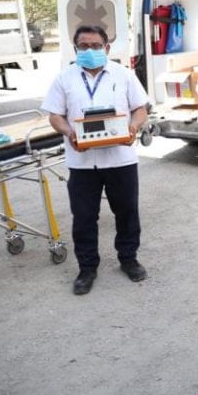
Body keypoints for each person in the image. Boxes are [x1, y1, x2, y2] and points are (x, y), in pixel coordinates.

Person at [42, 25, 149, 295]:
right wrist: (69, 133)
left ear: (107, 48)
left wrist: (133, 128)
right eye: (84, 46)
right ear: (75, 48)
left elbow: (140, 108)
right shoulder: (64, 78)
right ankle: (87, 268)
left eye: (95, 45)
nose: (90, 51)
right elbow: (55, 115)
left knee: (126, 212)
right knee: (84, 217)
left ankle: (128, 259)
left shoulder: (123, 75)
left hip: (120, 159)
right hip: (82, 163)